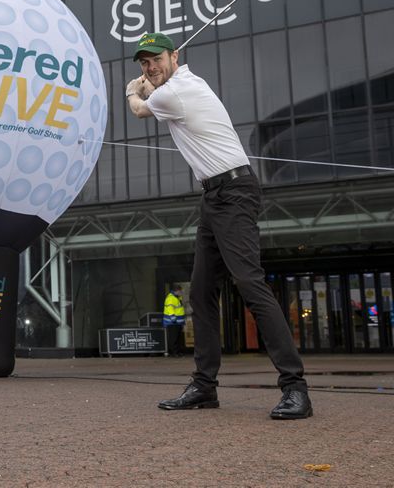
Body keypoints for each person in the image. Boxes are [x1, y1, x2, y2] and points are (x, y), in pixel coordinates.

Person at [125, 32, 312, 420]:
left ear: (175, 56)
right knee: (200, 291)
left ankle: (295, 388)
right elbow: (155, 98)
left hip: (234, 191)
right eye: (143, 64)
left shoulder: (174, 92)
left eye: (155, 60)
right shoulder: (186, 83)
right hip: (214, 195)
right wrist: (149, 83)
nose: (149, 68)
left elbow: (140, 110)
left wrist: (132, 89)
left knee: (249, 283)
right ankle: (204, 388)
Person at [163, 285, 185, 357]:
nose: (181, 292)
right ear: (177, 291)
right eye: (180, 291)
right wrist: (173, 318)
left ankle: (178, 352)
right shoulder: (171, 298)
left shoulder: (177, 298)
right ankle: (174, 353)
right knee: (174, 338)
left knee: (178, 338)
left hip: (178, 322)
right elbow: (170, 309)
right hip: (172, 322)